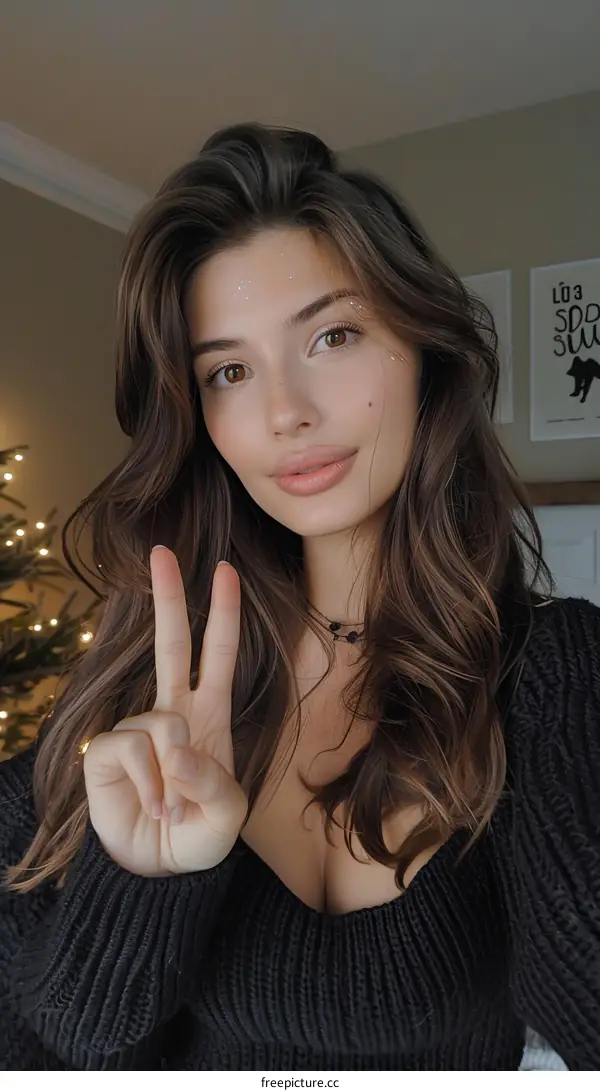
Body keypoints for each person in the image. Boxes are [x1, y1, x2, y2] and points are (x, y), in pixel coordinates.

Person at [0, 123, 598, 1073]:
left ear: (422, 352)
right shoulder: (135, 694)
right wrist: (144, 882)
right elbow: (41, 1047)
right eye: (229, 370)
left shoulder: (554, 674)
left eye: (333, 334)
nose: (286, 411)